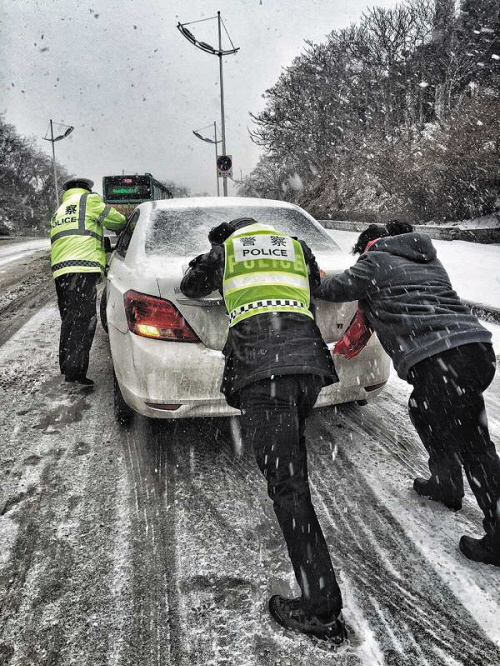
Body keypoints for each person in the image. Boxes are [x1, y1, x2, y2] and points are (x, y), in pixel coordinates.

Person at [180, 217, 347, 644]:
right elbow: (315, 284)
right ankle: (320, 595)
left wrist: (208, 260)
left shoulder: (226, 252)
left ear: (225, 236)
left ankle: (321, 608)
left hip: (261, 371)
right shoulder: (295, 245)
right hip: (307, 367)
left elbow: (191, 288)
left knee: (288, 487)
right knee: (293, 473)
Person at [314, 221, 500, 567]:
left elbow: (334, 289)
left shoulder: (374, 261)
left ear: (368, 245)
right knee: (422, 408)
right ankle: (445, 482)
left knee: (475, 447)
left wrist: (311, 272)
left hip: (441, 358)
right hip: (474, 350)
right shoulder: (427, 258)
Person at [50, 177, 127, 385]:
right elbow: (117, 220)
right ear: (86, 189)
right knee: (84, 320)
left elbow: (73, 237)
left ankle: (67, 366)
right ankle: (76, 372)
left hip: (61, 271)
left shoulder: (60, 211)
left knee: (69, 319)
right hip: (82, 268)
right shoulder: (88, 201)